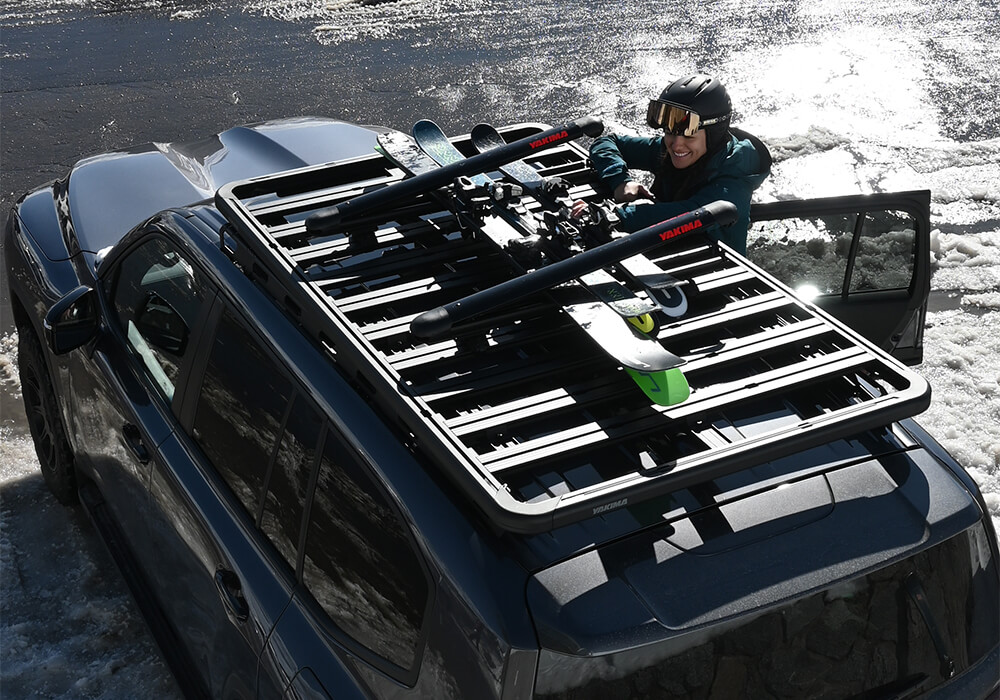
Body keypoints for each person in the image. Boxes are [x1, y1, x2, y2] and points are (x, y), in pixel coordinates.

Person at [572, 73, 771, 255]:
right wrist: (620, 181)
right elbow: (607, 142)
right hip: (665, 249)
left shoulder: (734, 178)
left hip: (713, 273)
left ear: (713, 135)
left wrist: (616, 216)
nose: (676, 144)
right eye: (670, 132)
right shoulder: (669, 149)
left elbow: (691, 213)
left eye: (689, 135)